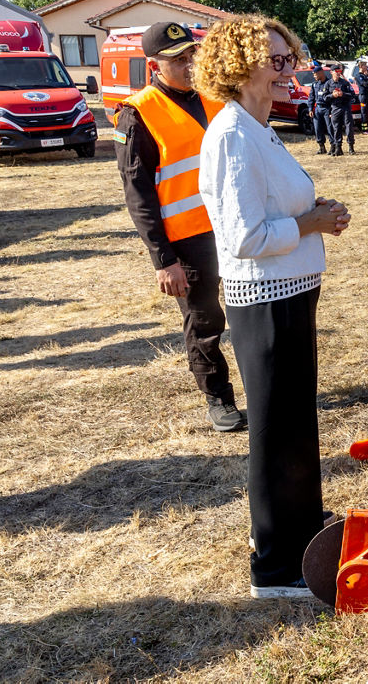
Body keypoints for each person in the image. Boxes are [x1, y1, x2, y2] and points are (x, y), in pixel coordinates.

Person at [195, 14, 350, 598]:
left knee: (294, 422)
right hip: (265, 301)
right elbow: (242, 238)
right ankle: (276, 564)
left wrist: (315, 217)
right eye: (279, 61)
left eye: (293, 58)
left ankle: (304, 528)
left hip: (288, 292)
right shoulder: (233, 133)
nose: (293, 70)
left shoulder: (258, 127)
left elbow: (275, 210)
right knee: (272, 428)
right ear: (241, 68)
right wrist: (309, 223)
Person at [114, 21, 243, 433]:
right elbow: (139, 196)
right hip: (186, 239)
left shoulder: (214, 98)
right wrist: (162, 259)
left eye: (192, 55)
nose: (190, 64)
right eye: (179, 59)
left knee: (246, 310)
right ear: (154, 64)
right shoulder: (137, 114)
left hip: (232, 227)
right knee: (205, 320)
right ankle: (218, 396)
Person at [325, 64, 355, 155]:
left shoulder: (345, 83)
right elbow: (324, 97)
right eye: (336, 71)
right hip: (335, 107)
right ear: (331, 72)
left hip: (345, 107)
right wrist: (332, 95)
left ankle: (351, 147)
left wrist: (343, 94)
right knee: (336, 128)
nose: (338, 73)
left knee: (349, 127)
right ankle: (338, 147)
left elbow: (352, 95)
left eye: (339, 71)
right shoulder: (328, 84)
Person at [310, 66, 332, 156]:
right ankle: (321, 147)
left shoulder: (330, 83)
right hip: (318, 108)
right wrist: (310, 109)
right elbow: (311, 97)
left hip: (327, 108)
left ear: (321, 73)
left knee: (330, 128)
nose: (314, 76)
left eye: (315, 74)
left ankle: (333, 146)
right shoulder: (315, 84)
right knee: (317, 128)